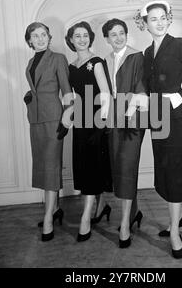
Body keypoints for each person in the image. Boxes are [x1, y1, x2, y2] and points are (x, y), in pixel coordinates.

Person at [137, 0, 182, 258]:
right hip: (155, 115)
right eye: (152, 19)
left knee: (173, 165)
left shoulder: (179, 44)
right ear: (145, 24)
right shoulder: (148, 52)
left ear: (169, 20)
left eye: (162, 18)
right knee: (163, 166)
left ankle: (174, 232)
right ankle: (177, 219)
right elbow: (148, 85)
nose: (158, 22)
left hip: (174, 115)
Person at [102, 18, 149, 248]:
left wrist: (130, 116)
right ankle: (134, 213)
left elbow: (141, 88)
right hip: (113, 121)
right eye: (113, 34)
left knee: (128, 166)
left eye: (122, 33)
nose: (118, 37)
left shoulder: (137, 56)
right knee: (119, 167)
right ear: (107, 39)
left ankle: (123, 225)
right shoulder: (106, 60)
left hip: (132, 120)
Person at [24, 22, 73, 242]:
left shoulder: (58, 59)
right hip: (35, 119)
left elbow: (67, 91)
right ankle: (54, 210)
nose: (40, 38)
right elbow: (37, 87)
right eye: (35, 36)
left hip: (54, 119)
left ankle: (48, 219)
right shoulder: (30, 61)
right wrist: (29, 96)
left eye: (44, 35)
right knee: (43, 165)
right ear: (29, 41)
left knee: (51, 165)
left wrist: (67, 116)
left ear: (49, 37)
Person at [65, 21, 113, 242]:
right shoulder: (71, 66)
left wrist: (101, 125)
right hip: (81, 122)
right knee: (86, 167)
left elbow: (105, 94)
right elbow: (75, 96)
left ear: (90, 38)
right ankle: (101, 206)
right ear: (71, 40)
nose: (82, 39)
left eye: (85, 35)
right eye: (77, 36)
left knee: (93, 168)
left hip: (96, 122)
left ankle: (86, 218)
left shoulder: (96, 63)